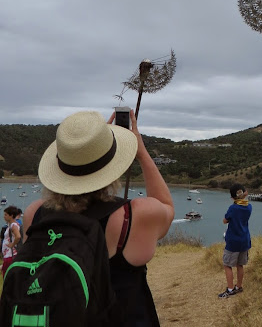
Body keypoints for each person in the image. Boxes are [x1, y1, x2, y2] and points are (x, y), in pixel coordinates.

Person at [22, 109, 174, 326]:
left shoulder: (34, 214)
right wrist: (141, 153)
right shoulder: (133, 216)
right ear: (111, 166)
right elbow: (167, 207)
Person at [218, 183, 252, 298]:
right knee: (240, 264)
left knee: (227, 265)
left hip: (233, 241)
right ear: (244, 193)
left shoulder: (233, 208)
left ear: (232, 197)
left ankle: (230, 288)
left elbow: (225, 220)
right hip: (245, 239)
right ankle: (239, 286)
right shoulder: (249, 207)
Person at [2, 205, 21, 276]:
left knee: (7, 275)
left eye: (6, 215)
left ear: (11, 215)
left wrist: (12, 245)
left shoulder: (13, 225)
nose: (4, 216)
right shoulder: (11, 225)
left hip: (10, 254)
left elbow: (18, 236)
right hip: (8, 254)